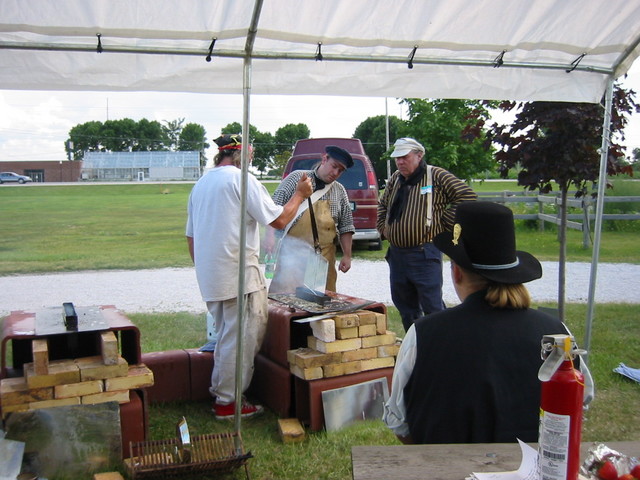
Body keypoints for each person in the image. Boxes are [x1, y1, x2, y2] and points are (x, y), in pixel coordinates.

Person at [383, 201, 572, 444]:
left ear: (456, 272)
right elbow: (578, 407)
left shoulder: (423, 333)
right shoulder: (557, 334)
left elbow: (399, 422)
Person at [186, 133, 312, 419]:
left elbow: (191, 237)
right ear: (241, 155)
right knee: (241, 339)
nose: (252, 160)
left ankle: (223, 394)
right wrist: (300, 194)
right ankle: (228, 402)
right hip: (239, 274)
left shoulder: (201, 183)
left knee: (228, 337)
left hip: (213, 275)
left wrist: (206, 270)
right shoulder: (241, 179)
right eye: (251, 155)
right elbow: (279, 219)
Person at [377, 137, 477, 332]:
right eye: (397, 158)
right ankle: (415, 348)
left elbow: (467, 197)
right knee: (405, 308)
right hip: (397, 254)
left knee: (432, 306)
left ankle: (442, 348)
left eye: (404, 157)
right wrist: (383, 228)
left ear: (419, 155)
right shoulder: (396, 179)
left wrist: (443, 222)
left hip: (424, 252)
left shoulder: (436, 175)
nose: (400, 162)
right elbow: (382, 204)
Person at [268, 145, 355, 293]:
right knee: (285, 307)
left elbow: (346, 226)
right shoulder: (297, 178)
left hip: (323, 262)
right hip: (292, 259)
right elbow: (272, 210)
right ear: (324, 159)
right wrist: (269, 238)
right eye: (334, 166)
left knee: (322, 309)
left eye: (340, 171)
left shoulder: (339, 191)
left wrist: (347, 255)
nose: (335, 173)